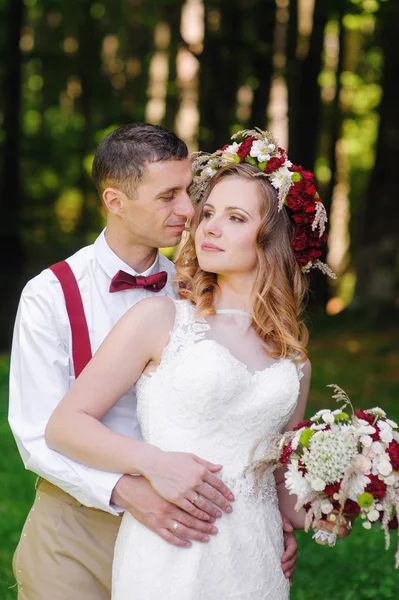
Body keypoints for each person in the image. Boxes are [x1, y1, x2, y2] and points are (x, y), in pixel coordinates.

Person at [45, 129, 342, 599]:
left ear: (274, 238)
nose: (208, 227)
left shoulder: (294, 359)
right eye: (208, 214)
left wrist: (341, 504)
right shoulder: (159, 318)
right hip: (172, 550)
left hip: (257, 558)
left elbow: (282, 482)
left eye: (235, 217)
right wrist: (154, 464)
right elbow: (64, 426)